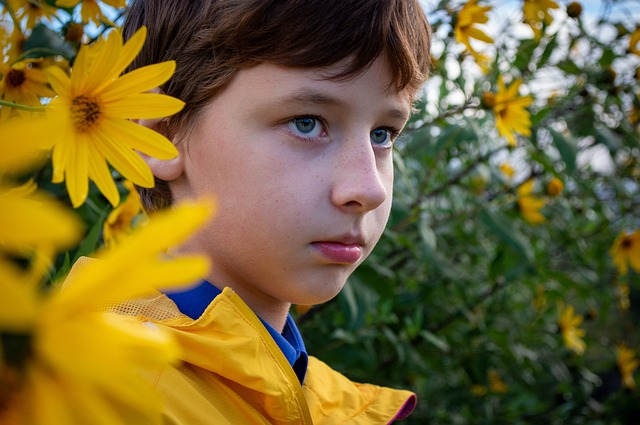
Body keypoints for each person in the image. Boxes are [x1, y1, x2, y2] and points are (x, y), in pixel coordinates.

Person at [68, 0, 431, 423]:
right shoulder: (98, 394)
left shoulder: (314, 398)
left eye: (382, 134)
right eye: (307, 122)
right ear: (162, 137)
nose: (368, 189)